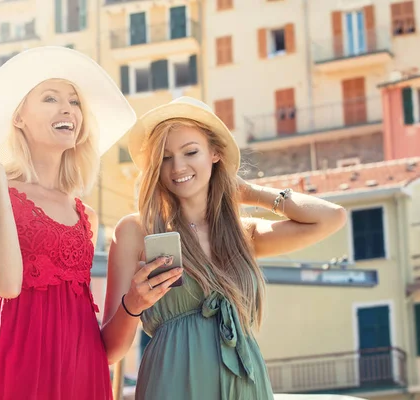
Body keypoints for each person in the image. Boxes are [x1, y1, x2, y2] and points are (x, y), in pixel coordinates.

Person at [101, 97, 348, 399]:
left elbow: (332, 217)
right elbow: (109, 351)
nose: (178, 166)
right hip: (172, 384)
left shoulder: (242, 234)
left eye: (190, 151)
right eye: (165, 158)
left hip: (245, 385)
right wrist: (133, 304)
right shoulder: (135, 231)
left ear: (215, 153)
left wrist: (252, 192)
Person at [0, 46, 136, 400]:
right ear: (18, 117)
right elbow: (6, 284)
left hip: (81, 366)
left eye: (74, 101)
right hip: (16, 360)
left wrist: (138, 302)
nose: (67, 108)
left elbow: (100, 335)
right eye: (50, 98)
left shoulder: (88, 216)